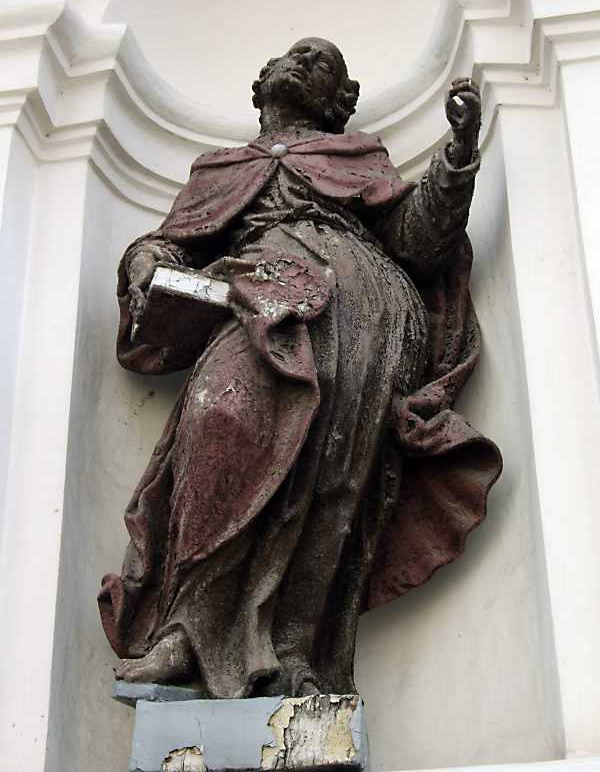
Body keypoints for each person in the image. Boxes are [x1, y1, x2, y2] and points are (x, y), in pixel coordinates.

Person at [98, 38, 502, 698]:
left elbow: (419, 240)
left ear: (335, 102)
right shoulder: (218, 169)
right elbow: (170, 242)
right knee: (219, 418)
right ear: (266, 80)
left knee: (335, 477)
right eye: (298, 54)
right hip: (259, 297)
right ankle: (187, 633)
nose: (304, 62)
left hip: (363, 309)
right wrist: (146, 260)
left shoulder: (358, 158)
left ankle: (294, 653)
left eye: (323, 64)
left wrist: (457, 155)